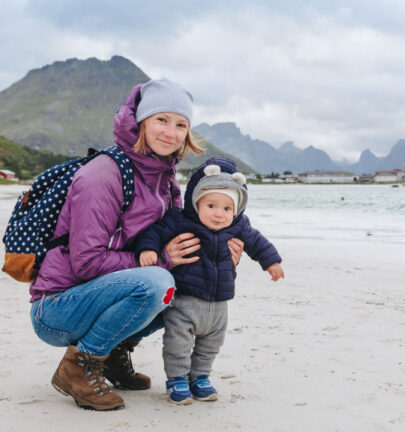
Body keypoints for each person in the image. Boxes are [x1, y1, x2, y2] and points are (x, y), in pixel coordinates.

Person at [28, 78, 244, 411]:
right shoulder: (103, 175)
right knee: (159, 282)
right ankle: (79, 365)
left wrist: (224, 249)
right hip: (58, 308)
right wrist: (162, 261)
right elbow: (85, 263)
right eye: (161, 120)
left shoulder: (164, 177)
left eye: (181, 124)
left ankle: (114, 352)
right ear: (140, 121)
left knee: (185, 289)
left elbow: (184, 242)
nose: (171, 133)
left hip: (105, 292)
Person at [134, 156, 284, 404]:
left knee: (210, 345)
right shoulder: (181, 220)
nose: (219, 214)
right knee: (177, 344)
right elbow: (155, 231)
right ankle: (177, 379)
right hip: (184, 301)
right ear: (196, 201)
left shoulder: (238, 227)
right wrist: (148, 249)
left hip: (219, 304)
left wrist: (272, 262)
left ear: (236, 210)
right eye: (211, 206)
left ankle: (200, 377)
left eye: (227, 208)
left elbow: (258, 242)